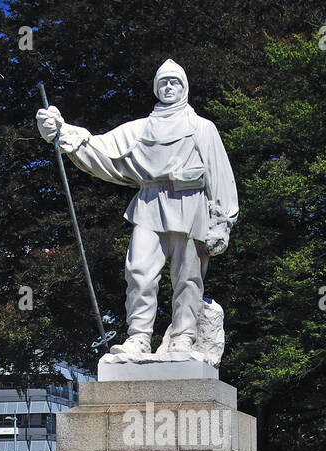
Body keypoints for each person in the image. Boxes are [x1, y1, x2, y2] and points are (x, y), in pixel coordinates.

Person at [36, 60, 238, 358]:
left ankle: (184, 337)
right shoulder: (141, 129)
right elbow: (99, 146)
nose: (169, 88)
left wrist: (222, 220)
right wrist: (61, 131)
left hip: (192, 204)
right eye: (164, 83)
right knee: (139, 271)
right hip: (150, 203)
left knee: (188, 277)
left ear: (184, 87)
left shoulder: (202, 128)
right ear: (157, 88)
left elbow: (219, 174)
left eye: (175, 82)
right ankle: (138, 337)